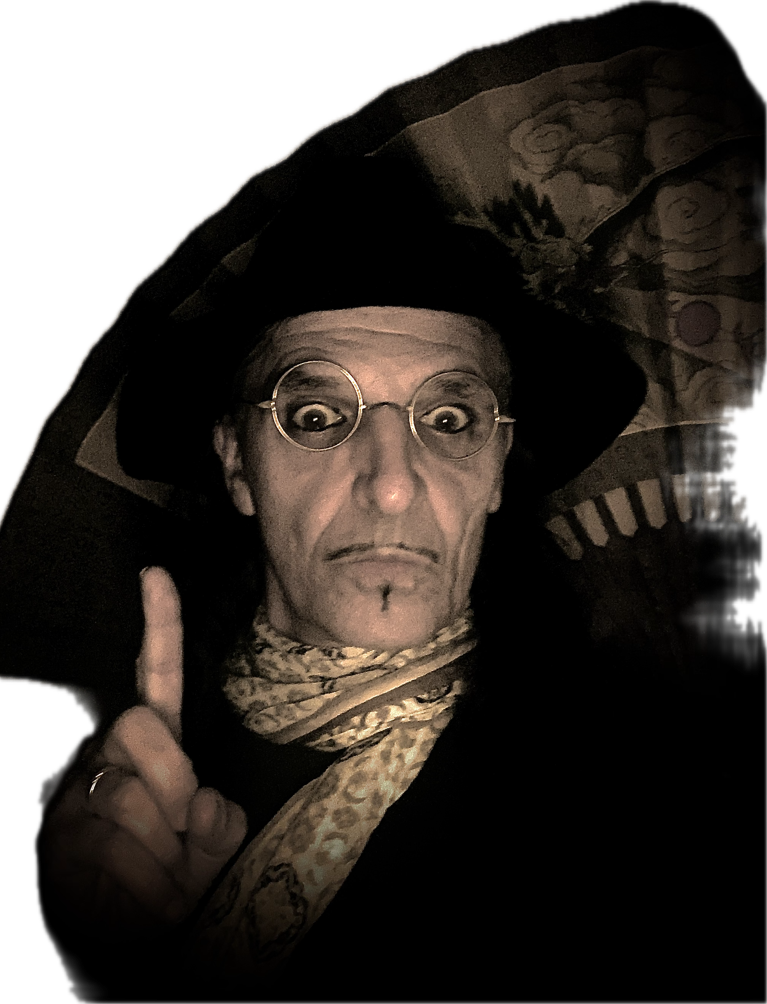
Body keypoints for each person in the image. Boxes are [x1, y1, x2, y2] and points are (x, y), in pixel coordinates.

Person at [41, 159, 655, 987]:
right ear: (236, 463)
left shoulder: (638, 796)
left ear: (499, 466)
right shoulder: (125, 781)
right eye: (317, 415)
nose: (392, 485)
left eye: (449, 419)